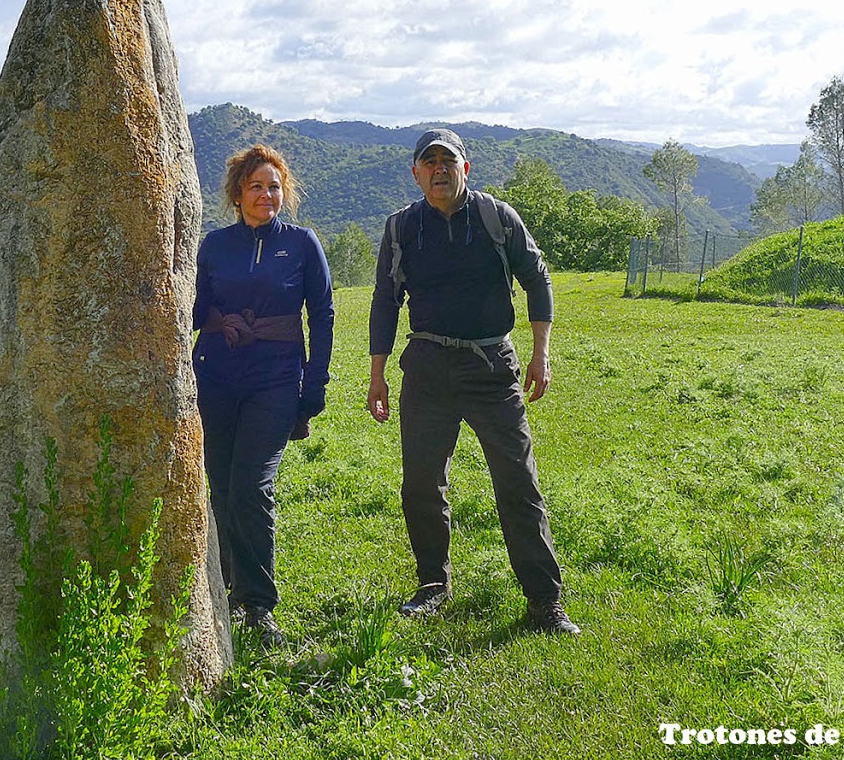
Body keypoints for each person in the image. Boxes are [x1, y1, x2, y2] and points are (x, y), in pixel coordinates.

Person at [366, 128, 580, 636]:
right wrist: (377, 374)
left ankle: (545, 602)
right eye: (430, 162)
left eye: (449, 161)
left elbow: (537, 279)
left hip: (491, 367)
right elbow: (384, 300)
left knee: (517, 481)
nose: (439, 169)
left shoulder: (496, 218)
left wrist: (541, 353)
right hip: (427, 367)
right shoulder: (401, 228)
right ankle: (432, 586)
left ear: (465, 169)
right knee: (421, 483)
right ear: (416, 173)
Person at [193, 144, 333, 648]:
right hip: (215, 377)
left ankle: (257, 604)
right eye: (256, 186)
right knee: (221, 487)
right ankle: (225, 587)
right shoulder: (214, 246)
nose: (266, 195)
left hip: (274, 381)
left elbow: (322, 315)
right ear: (238, 194)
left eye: (274, 187)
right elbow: (194, 310)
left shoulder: (301, 244)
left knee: (252, 486)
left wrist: (313, 387)